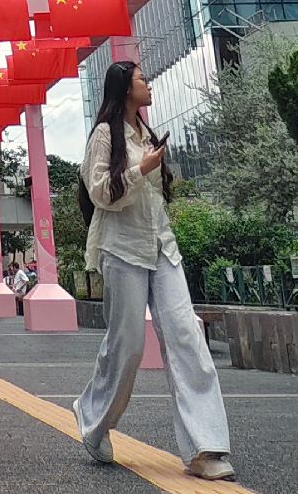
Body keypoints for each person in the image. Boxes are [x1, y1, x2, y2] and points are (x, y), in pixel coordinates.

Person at [72, 61, 234, 481]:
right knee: (126, 346)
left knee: (186, 335)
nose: (148, 84)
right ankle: (93, 417)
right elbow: (100, 192)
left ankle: (204, 446)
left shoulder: (146, 133)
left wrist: (151, 169)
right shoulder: (105, 135)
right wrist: (141, 169)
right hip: (121, 248)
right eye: (142, 79)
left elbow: (157, 197)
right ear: (126, 88)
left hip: (162, 246)